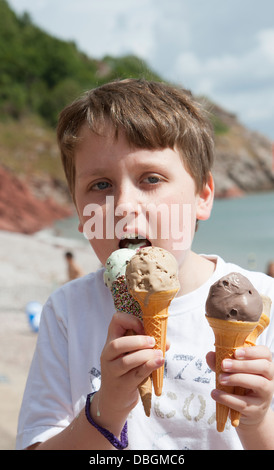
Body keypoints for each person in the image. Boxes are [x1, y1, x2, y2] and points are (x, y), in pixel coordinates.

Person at [16, 79, 274, 450]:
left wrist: (257, 420)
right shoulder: (67, 312)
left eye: (151, 179)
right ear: (80, 213)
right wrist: (104, 411)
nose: (122, 205)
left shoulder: (262, 304)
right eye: (101, 185)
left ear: (202, 196)